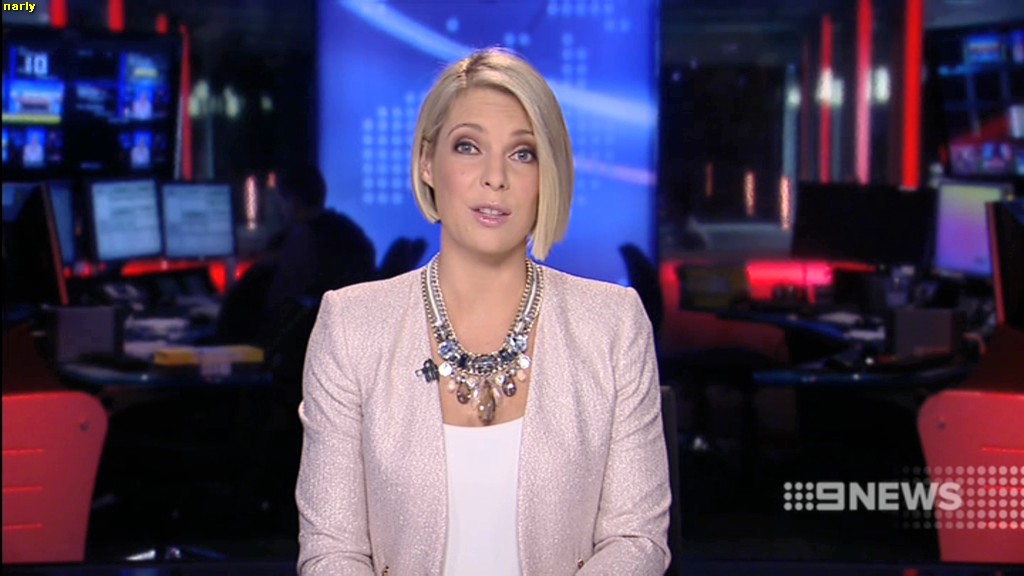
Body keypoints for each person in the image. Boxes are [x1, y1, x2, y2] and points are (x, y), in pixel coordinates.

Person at [296, 47, 671, 575]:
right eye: (468, 147)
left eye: (523, 153)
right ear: (428, 163)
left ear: (548, 175)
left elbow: (636, 541)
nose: (495, 177)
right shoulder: (351, 327)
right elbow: (331, 553)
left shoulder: (613, 325)